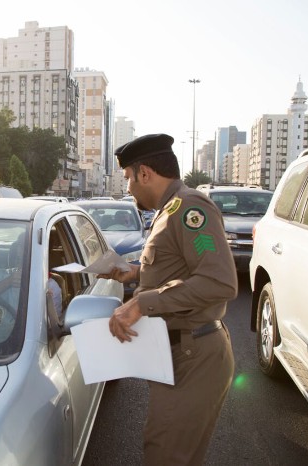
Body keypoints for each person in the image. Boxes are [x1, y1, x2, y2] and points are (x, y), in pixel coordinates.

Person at [99, 133, 238, 465]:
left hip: (194, 354)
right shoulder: (168, 210)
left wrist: (141, 303)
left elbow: (218, 281)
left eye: (129, 178)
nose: (129, 188)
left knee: (166, 455)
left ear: (145, 173)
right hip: (177, 353)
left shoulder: (190, 207)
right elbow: (180, 266)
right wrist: (135, 272)